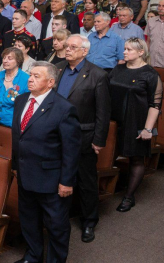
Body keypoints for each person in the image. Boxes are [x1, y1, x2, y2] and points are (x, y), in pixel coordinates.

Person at [12, 62, 81, 263]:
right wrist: (16, 166)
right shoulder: (21, 100)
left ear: (50, 82)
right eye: (30, 75)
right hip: (25, 174)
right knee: (29, 219)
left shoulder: (64, 108)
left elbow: (71, 150)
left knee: (56, 225)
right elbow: (18, 138)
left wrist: (66, 181)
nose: (30, 79)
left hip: (51, 180)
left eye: (36, 76)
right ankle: (33, 256)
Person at [56, 34, 111, 243]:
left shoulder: (97, 75)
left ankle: (89, 221)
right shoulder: (57, 68)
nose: (67, 49)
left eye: (73, 47)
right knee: (58, 176)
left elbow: (103, 111)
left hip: (83, 136)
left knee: (86, 181)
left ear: (84, 51)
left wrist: (99, 140)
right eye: (66, 46)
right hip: (56, 134)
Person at [109, 38, 162, 212]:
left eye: (129, 49)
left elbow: (155, 105)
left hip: (136, 121)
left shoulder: (150, 74)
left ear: (141, 52)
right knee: (109, 154)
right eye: (124, 49)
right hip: (114, 121)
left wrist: (148, 129)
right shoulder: (118, 69)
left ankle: (129, 197)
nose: (124, 52)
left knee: (136, 158)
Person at [0, 47, 30, 128]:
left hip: (14, 126)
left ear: (18, 61)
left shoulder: (26, 80)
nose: (5, 61)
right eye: (4, 58)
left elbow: (26, 107)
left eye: (9, 58)